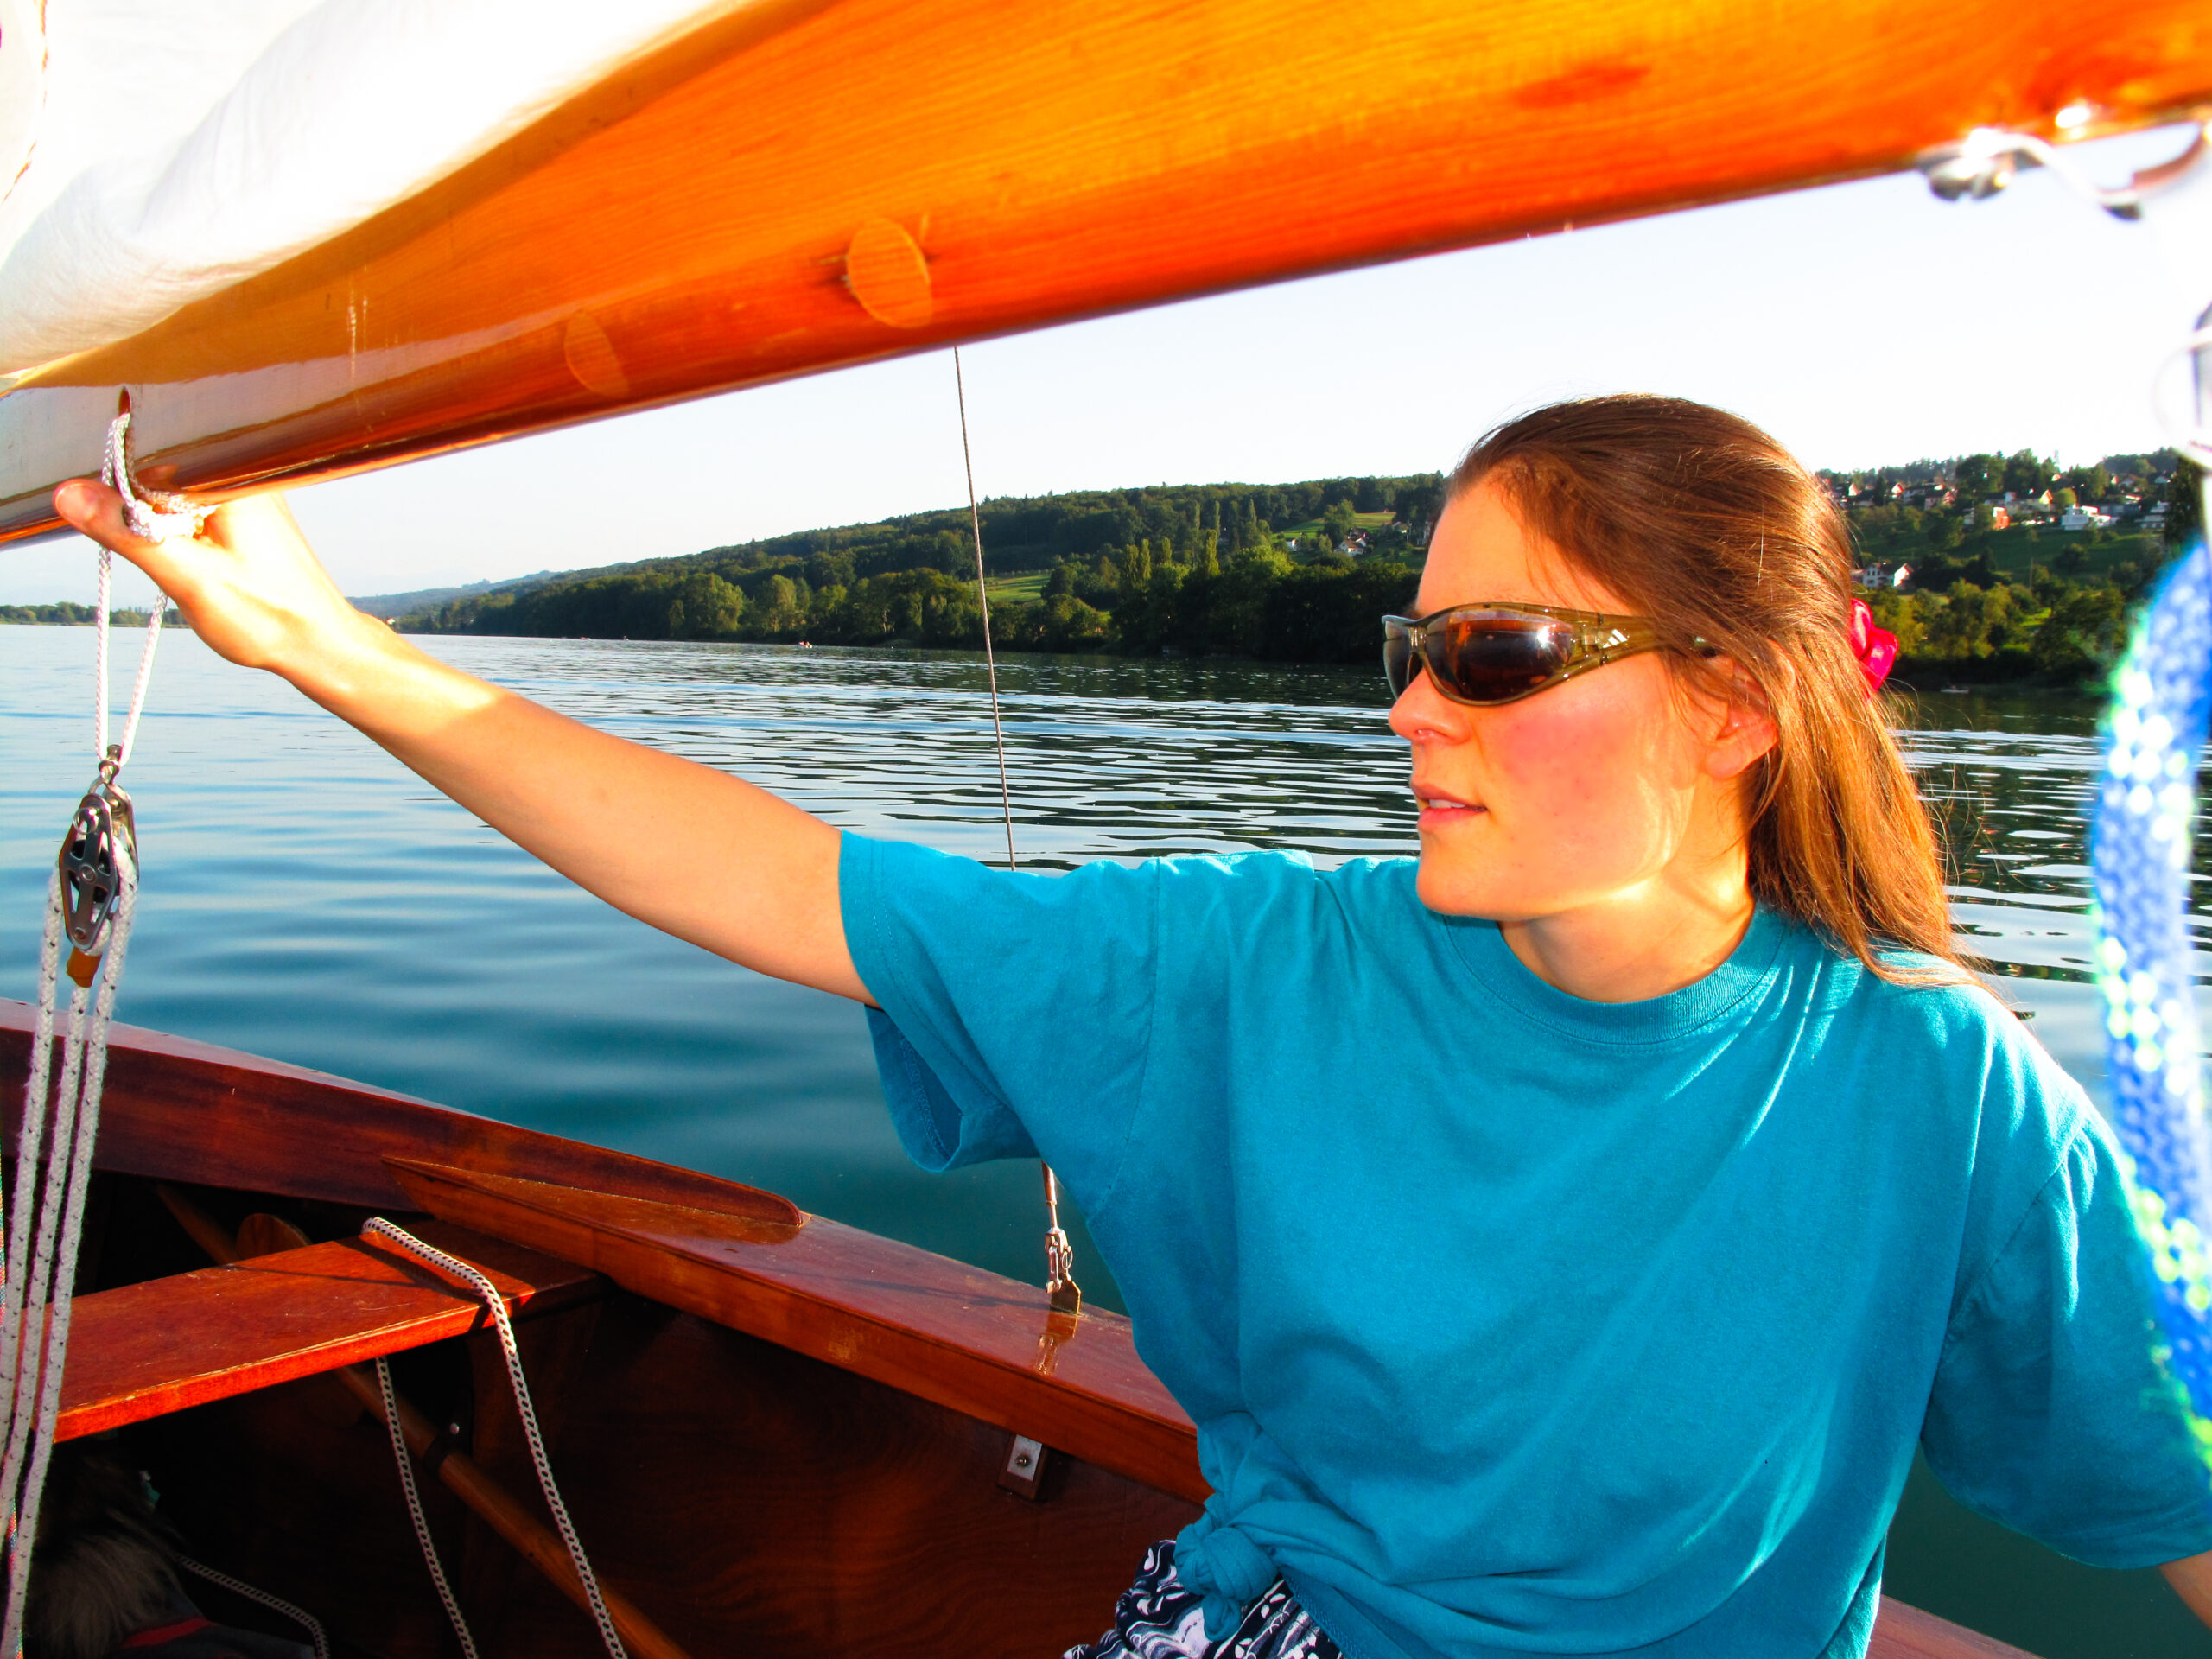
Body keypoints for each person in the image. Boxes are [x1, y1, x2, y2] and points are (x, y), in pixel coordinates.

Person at [52, 395, 2212, 1659]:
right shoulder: (1252, 963)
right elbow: (758, 872)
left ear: (1737, 709)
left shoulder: (1938, 1089)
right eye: (1406, 641)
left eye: (1487, 652)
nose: (1401, 707)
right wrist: (325, 647)